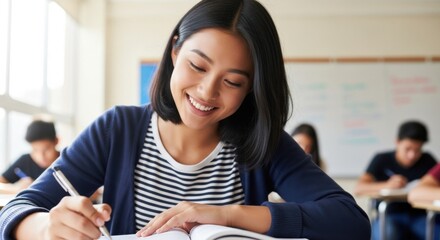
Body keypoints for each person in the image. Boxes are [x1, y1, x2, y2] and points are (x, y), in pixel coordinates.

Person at [0, 1, 370, 239]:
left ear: (252, 88)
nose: (207, 92)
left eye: (233, 81)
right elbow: (13, 211)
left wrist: (227, 215)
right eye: (197, 65)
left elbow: (350, 222)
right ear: (175, 50)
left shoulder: (265, 144)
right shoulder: (117, 130)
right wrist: (47, 226)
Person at [354, 120, 437, 240]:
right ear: (397, 142)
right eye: (408, 149)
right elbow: (359, 188)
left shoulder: (428, 160)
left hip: (420, 216)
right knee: (388, 233)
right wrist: (386, 185)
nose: (412, 155)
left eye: (417, 150)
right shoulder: (382, 159)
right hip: (389, 215)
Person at [0, 120, 60, 194]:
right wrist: (18, 189)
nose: (41, 156)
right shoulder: (24, 161)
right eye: (35, 150)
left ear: (56, 141)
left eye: (46, 149)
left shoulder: (66, 161)